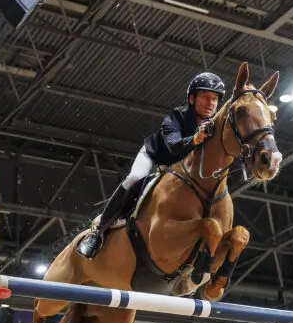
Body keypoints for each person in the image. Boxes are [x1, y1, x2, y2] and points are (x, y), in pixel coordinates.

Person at [76, 71, 227, 259]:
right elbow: (173, 148)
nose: (211, 103)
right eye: (205, 97)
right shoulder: (175, 117)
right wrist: (196, 138)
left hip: (182, 172)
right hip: (156, 157)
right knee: (134, 178)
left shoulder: (215, 124)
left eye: (214, 98)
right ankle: (98, 231)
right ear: (191, 98)